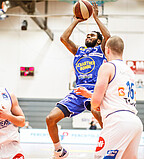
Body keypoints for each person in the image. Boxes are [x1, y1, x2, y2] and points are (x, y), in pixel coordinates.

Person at [46, 2, 110, 159]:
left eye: (92, 35)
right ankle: (59, 151)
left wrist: (95, 17)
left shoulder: (101, 50)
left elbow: (108, 37)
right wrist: (76, 20)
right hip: (78, 91)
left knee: (97, 113)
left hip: (94, 91)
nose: (88, 36)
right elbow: (63, 38)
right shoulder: (79, 51)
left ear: (98, 41)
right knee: (50, 119)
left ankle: (109, 147)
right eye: (88, 35)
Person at [74, 36, 143, 159]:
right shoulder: (129, 70)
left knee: (100, 157)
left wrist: (93, 99)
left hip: (117, 121)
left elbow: (95, 103)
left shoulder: (107, 66)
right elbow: (114, 97)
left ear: (107, 50)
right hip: (134, 122)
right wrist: (89, 95)